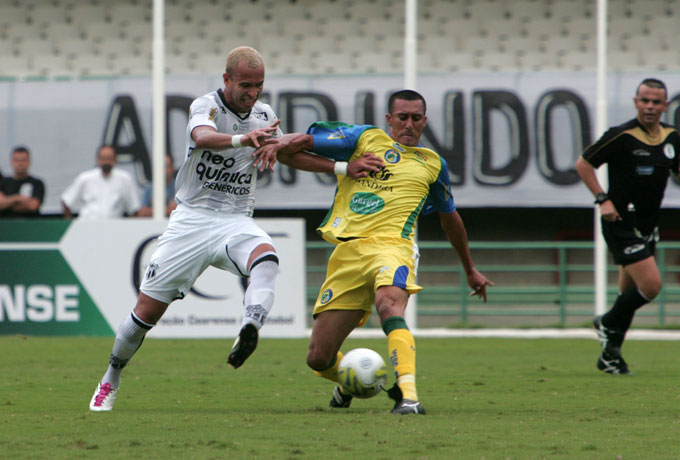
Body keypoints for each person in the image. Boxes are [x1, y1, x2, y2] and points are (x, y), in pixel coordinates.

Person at [88, 46, 382, 412]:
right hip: (191, 221)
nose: (253, 92)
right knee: (144, 315)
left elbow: (288, 153)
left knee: (268, 259)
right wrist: (245, 139)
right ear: (226, 80)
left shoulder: (264, 115)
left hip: (235, 220)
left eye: (259, 85)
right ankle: (111, 376)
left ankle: (250, 326)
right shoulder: (206, 106)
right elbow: (202, 137)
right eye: (245, 84)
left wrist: (340, 169)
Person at [267, 89, 493, 414]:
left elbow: (450, 219)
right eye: (402, 117)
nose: (409, 124)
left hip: (393, 246)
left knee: (389, 305)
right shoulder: (364, 139)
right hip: (348, 251)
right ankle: (350, 381)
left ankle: (409, 396)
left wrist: (469, 268)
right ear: (389, 119)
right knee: (318, 357)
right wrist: (344, 167)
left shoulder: (433, 164)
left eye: (416, 118)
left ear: (425, 121)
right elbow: (290, 151)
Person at [576, 78, 680, 375]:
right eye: (644, 100)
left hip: (649, 224)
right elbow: (584, 164)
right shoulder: (621, 135)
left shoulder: (672, 138)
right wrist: (602, 199)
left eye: (656, 102)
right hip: (620, 222)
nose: (649, 107)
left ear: (665, 105)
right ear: (636, 102)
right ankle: (605, 322)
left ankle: (610, 357)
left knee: (628, 296)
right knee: (651, 286)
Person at [61, 144, 141, 219]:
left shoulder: (125, 179)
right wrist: (71, 225)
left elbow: (134, 208)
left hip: (114, 228)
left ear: (115, 160)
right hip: (87, 226)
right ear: (98, 160)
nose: (106, 162)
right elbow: (66, 200)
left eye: (109, 158)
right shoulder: (85, 178)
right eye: (103, 159)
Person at [0, 146, 45, 218]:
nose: (20, 164)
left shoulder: (37, 183)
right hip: (6, 225)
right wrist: (18, 198)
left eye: (23, 160)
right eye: (16, 160)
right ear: (11, 162)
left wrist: (7, 202)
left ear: (29, 162)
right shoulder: (3, 182)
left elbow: (32, 206)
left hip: (29, 225)